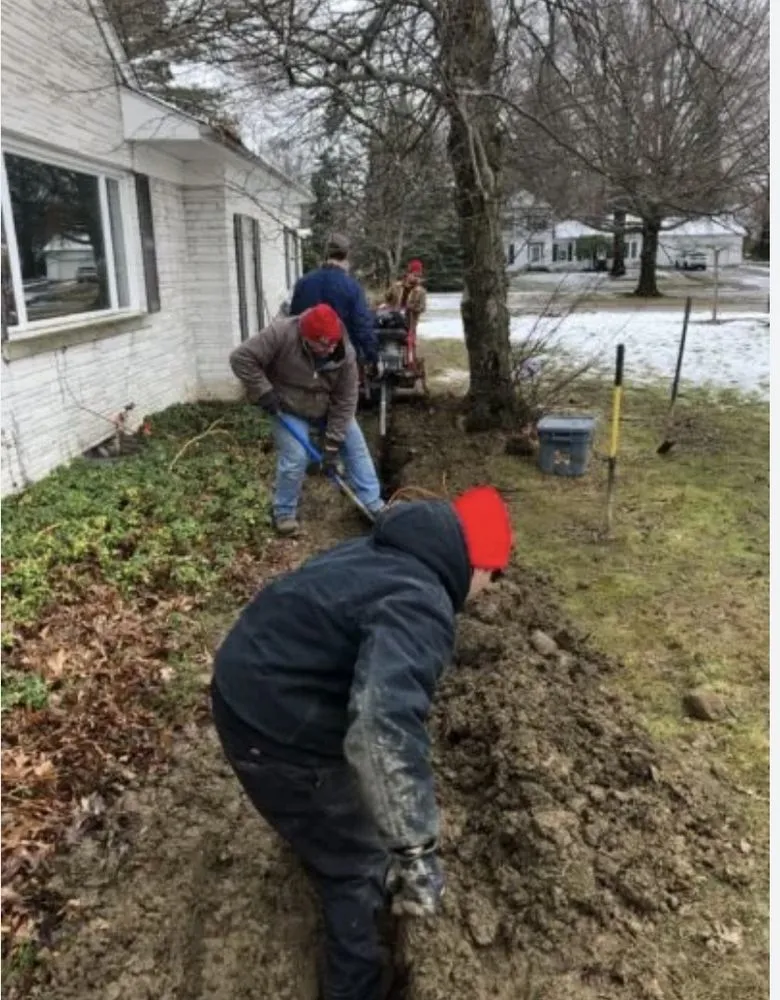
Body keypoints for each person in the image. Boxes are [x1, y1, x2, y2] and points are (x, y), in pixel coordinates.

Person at [210, 486, 513, 1000]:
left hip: (253, 680)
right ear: (479, 566)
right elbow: (382, 728)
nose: (485, 593)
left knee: (351, 806)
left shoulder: (383, 552)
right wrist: (414, 850)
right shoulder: (423, 603)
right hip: (272, 725)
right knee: (361, 866)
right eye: (495, 578)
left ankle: (315, 835)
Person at [229, 303, 385, 536]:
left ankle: (374, 504)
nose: (330, 349)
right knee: (295, 457)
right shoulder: (281, 333)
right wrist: (263, 391)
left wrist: (331, 445)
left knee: (356, 449)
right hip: (288, 407)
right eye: (322, 345)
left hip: (328, 408)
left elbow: (345, 402)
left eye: (332, 343)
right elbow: (241, 358)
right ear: (305, 336)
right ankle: (284, 512)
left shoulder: (346, 354)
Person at [289, 234, 379, 364]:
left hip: (307, 362)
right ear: (346, 257)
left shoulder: (303, 283)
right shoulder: (352, 287)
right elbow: (362, 326)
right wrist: (372, 356)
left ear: (326, 255)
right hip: (341, 363)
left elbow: (293, 322)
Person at [385, 259, 427, 337]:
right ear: (408, 274)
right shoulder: (396, 286)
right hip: (393, 320)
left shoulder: (421, 291)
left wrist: (410, 308)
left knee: (409, 344)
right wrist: (387, 305)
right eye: (415, 275)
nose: (416, 278)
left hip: (410, 324)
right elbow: (386, 298)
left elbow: (422, 308)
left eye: (419, 276)